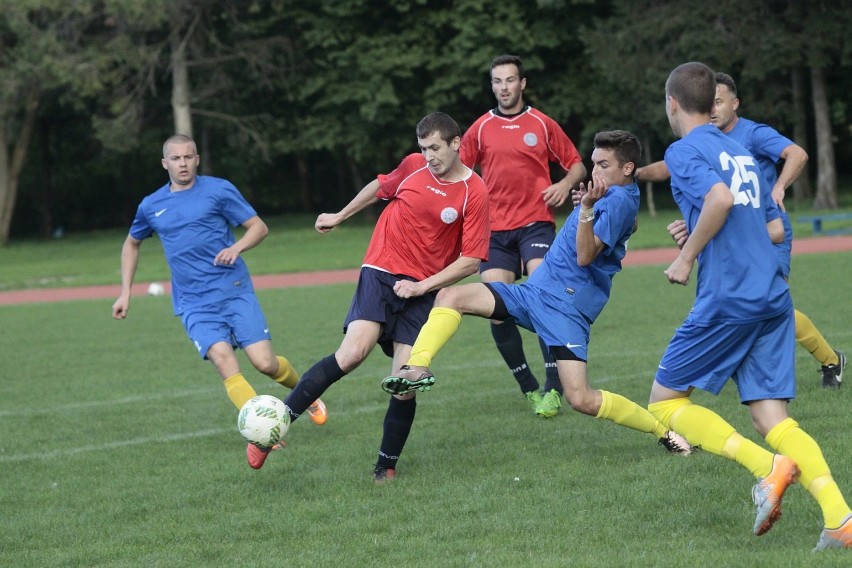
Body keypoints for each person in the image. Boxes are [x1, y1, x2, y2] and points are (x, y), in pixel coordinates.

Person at [382, 130, 692, 468]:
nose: (595, 172)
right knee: (451, 295)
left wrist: (586, 209)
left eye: (604, 165)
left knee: (581, 399)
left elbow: (586, 256)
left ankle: (662, 431)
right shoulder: (613, 194)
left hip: (565, 308)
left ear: (628, 167)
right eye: (593, 164)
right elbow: (618, 222)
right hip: (533, 293)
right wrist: (589, 207)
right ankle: (417, 367)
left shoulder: (618, 200)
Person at [646, 62, 850, 551]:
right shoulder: (738, 150)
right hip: (771, 296)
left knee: (666, 402)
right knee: (772, 420)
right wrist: (698, 229)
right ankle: (841, 519)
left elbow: (717, 199)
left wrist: (686, 257)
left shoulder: (685, 149)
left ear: (672, 103)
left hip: (730, 298)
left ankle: (767, 468)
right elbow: (768, 226)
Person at [276, 112, 491, 481]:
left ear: (456, 144)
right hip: (381, 270)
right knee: (353, 352)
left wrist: (423, 287)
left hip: (423, 289)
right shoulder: (412, 166)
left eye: (435, 148)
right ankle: (278, 422)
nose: (429, 156)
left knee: (405, 384)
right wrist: (340, 215)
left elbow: (471, 261)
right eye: (424, 148)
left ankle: (385, 467)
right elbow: (380, 187)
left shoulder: (475, 191)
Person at [111, 134, 328, 470]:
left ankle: (306, 395)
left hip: (234, 289)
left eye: (188, 157)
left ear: (197, 159)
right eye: (176, 158)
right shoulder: (151, 205)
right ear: (164, 163)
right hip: (194, 304)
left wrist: (236, 247)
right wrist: (125, 291)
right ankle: (262, 429)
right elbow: (131, 244)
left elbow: (258, 227)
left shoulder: (218, 190)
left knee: (265, 364)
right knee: (225, 362)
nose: (182, 164)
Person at [636, 72, 845, 389]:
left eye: (720, 102)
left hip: (767, 231)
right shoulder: (701, 142)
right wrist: (633, 173)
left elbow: (797, 153)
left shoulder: (753, 134)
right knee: (763, 305)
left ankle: (829, 359)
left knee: (771, 305)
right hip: (733, 231)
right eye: (711, 102)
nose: (715, 108)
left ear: (735, 104)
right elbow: (668, 169)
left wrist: (778, 187)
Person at [460, 54, 587, 418]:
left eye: (510, 80)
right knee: (497, 310)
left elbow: (576, 164)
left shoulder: (542, 124)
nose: (504, 87)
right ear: (493, 86)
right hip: (494, 231)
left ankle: (553, 387)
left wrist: (564, 184)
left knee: (544, 298)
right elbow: (461, 172)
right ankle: (529, 387)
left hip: (536, 224)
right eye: (497, 81)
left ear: (522, 83)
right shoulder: (480, 128)